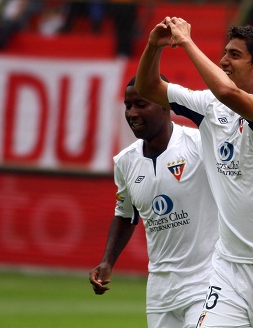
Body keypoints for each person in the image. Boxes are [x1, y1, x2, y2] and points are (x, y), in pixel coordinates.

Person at [134, 17, 253, 327]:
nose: (223, 60)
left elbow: (228, 93)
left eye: (234, 55)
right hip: (228, 267)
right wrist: (153, 46)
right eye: (225, 52)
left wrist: (188, 42)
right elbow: (148, 87)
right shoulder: (209, 107)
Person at [89, 76, 219, 328]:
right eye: (128, 106)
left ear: (164, 104)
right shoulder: (125, 161)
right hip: (161, 291)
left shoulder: (200, 145)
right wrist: (108, 261)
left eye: (140, 104)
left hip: (207, 281)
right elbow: (126, 214)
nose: (132, 113)